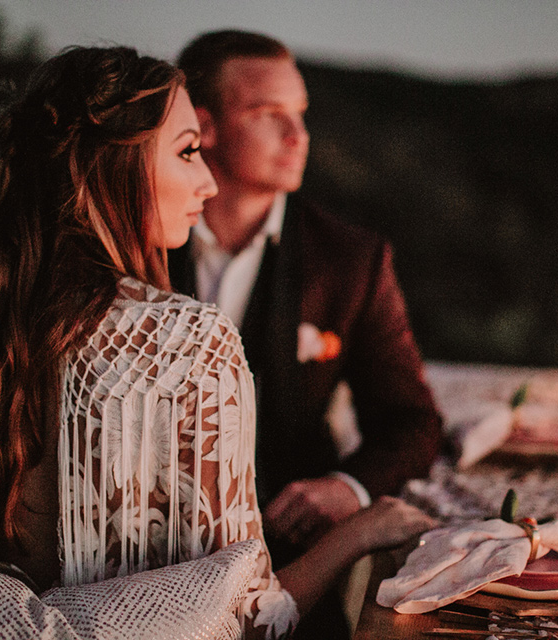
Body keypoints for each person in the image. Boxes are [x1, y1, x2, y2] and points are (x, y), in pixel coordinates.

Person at [0, 46, 436, 639]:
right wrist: (361, 533)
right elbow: (246, 621)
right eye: (188, 151)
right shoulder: (194, 341)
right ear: (112, 166)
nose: (207, 179)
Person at [170, 31, 443, 635]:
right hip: (145, 555)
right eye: (269, 115)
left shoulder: (350, 259)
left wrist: (348, 487)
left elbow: (412, 421)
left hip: (290, 554)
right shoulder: (138, 240)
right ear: (202, 126)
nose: (299, 136)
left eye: (300, 114)